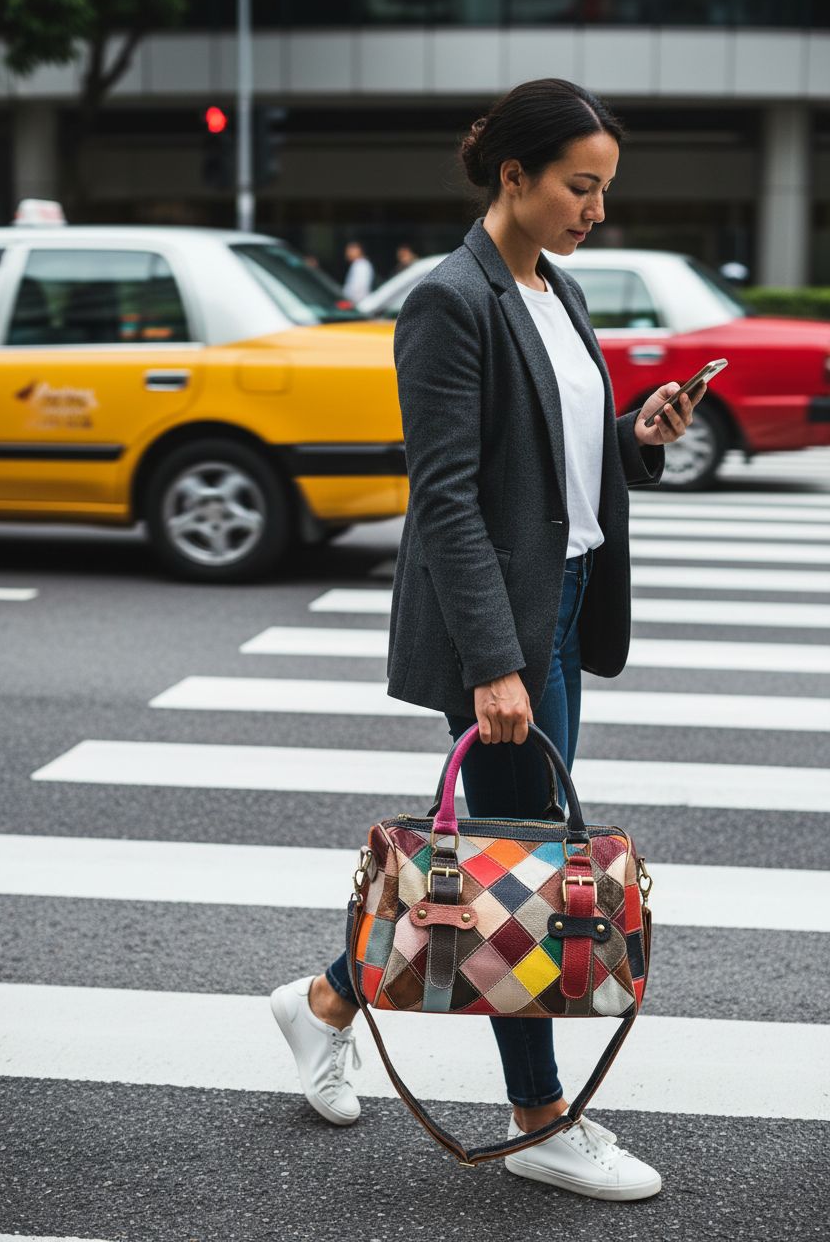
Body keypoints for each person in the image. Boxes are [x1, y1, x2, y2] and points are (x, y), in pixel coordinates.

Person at [271, 77, 705, 1202]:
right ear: (513, 174)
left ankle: (323, 1001)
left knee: (501, 862)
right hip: (500, 627)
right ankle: (538, 1120)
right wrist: (492, 665)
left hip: (559, 604)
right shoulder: (447, 301)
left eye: (604, 189)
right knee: (537, 862)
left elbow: (549, 459)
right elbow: (449, 498)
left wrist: (634, 437)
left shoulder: (554, 289)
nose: (594, 209)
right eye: (579, 185)